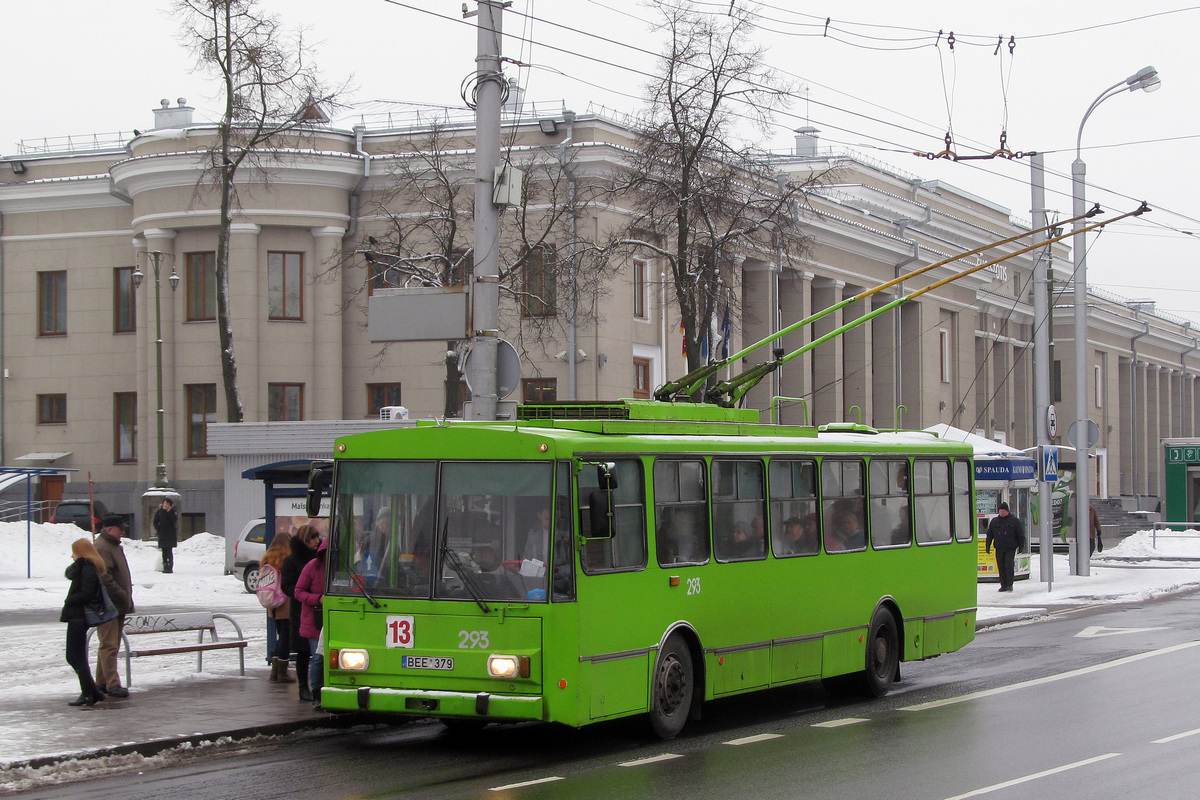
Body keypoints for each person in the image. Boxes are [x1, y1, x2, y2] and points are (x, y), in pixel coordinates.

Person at [61, 538, 107, 707]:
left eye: (74, 551)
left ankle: (90, 692)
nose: (72, 555)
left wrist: (70, 600)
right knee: (73, 656)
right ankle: (91, 692)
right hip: (76, 616)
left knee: (75, 657)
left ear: (81, 552)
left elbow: (87, 593)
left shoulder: (87, 569)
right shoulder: (83, 568)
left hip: (79, 617)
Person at [93, 514, 134, 698]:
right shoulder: (103, 547)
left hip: (117, 604)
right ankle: (112, 684)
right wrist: (120, 594)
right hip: (108, 604)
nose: (123, 532)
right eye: (120, 529)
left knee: (111, 644)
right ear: (110, 529)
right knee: (109, 645)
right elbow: (105, 576)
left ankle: (101, 682)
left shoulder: (112, 545)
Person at [282, 523, 320, 703]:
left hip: (318, 610)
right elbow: (287, 585)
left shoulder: (319, 557)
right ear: (305, 540)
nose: (316, 540)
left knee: (318, 651)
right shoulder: (292, 560)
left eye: (317, 537)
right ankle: (303, 687)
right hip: (300, 611)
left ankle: (318, 686)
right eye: (312, 538)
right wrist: (302, 595)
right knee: (304, 652)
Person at [295, 536, 327, 709]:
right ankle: (317, 692)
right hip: (315, 620)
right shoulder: (312, 567)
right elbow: (298, 591)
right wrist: (318, 599)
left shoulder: (343, 568)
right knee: (318, 656)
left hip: (334, 618)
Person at [260, 531, 296, 684]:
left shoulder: (267, 559)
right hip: (285, 604)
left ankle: (275, 672)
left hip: (273, 605)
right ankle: (282, 672)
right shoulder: (285, 559)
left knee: (280, 636)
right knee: (285, 638)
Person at [985, 501, 1026, 592]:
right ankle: (1003, 585)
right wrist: (987, 546)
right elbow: (990, 535)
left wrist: (1021, 547)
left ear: (1007, 511)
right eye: (1000, 511)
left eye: (1003, 511)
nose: (1002, 513)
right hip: (999, 547)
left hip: (1010, 547)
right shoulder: (994, 521)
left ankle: (1009, 584)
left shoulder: (1014, 521)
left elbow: (1020, 535)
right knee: (1001, 566)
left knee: (1009, 565)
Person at [153, 498, 179, 574]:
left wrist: (168, 512)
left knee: (169, 551)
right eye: (164, 503)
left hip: (170, 535)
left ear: (170, 505)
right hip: (162, 535)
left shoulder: (172, 512)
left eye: (167, 503)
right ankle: (165, 566)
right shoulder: (159, 512)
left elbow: (174, 519)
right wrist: (159, 530)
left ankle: (170, 567)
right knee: (164, 551)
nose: (165, 505)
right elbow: (155, 522)